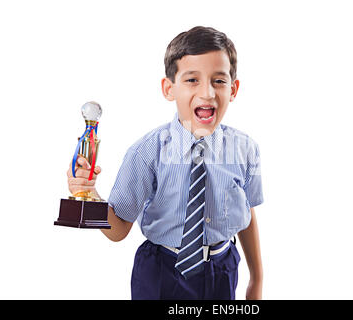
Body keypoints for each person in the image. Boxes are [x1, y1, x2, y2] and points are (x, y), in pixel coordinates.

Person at [67, 26, 264, 300]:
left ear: (234, 89)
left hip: (223, 268)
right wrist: (89, 198)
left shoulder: (245, 149)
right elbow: (119, 230)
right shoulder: (146, 152)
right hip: (161, 272)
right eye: (192, 80)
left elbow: (247, 213)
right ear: (169, 88)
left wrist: (257, 278)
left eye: (219, 80)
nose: (207, 93)